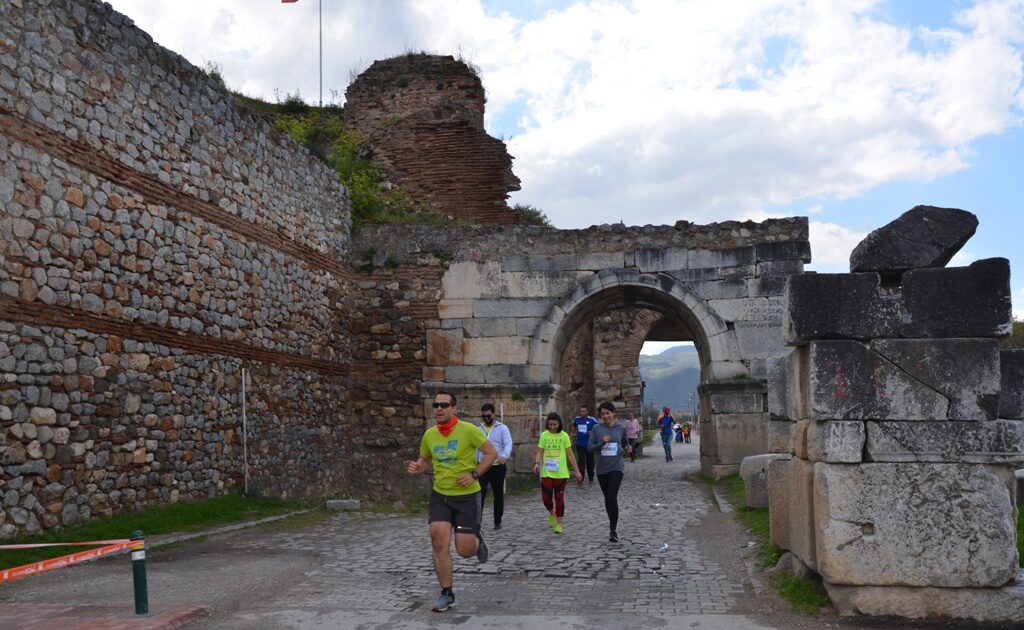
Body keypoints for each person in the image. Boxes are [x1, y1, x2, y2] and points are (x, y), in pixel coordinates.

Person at [407, 391, 497, 613]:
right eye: (436, 404)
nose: (439, 408)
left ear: (454, 408)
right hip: (441, 495)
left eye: (444, 405)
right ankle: (447, 593)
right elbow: (426, 457)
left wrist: (474, 474)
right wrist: (418, 466)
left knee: (465, 550)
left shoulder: (469, 431)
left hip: (467, 497)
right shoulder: (429, 434)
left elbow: (491, 453)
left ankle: (477, 539)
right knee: (439, 542)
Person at [533, 412, 583, 534]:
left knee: (559, 498)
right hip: (547, 472)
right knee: (546, 498)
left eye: (555, 424)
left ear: (559, 424)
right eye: (550, 424)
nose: (552, 427)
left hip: (561, 473)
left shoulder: (564, 436)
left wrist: (577, 471)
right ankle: (552, 513)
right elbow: (540, 451)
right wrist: (537, 463)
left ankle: (559, 524)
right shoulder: (544, 435)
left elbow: (570, 454)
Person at [588, 401, 632, 542]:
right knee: (608, 499)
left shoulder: (620, 428)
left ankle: (613, 529)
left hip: (617, 467)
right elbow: (589, 448)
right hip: (602, 470)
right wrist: (602, 442)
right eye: (602, 414)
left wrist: (628, 448)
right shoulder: (596, 429)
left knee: (612, 496)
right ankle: (612, 526)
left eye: (608, 413)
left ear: (614, 413)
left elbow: (625, 442)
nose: (605, 416)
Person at [476, 402, 513, 530]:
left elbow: (508, 443)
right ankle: (477, 521)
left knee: (498, 495)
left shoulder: (502, 428)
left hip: (497, 466)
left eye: (489, 416)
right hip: (482, 466)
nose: (486, 419)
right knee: (479, 494)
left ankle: (497, 521)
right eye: (484, 416)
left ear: (494, 414)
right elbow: (476, 447)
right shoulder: (478, 429)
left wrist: (504, 456)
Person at [572, 404, 598, 483]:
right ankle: (581, 478)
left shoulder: (592, 420)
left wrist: (592, 433)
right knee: (581, 461)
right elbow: (573, 427)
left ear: (587, 412)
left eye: (583, 411)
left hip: (589, 444)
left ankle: (591, 477)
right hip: (580, 444)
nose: (581, 413)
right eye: (581, 411)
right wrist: (572, 435)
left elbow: (598, 429)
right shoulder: (577, 419)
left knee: (590, 461)